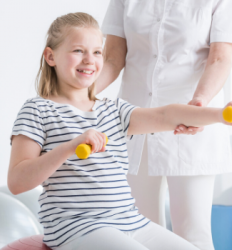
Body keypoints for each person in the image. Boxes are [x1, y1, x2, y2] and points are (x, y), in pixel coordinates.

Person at [8, 12, 232, 249]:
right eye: (78, 51)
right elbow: (17, 182)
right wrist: (70, 147)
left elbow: (166, 114)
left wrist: (221, 115)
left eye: (96, 52)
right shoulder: (38, 110)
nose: (89, 60)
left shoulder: (113, 110)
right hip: (75, 226)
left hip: (129, 222)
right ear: (50, 56)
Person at [97, 1, 232, 249]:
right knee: (138, 231)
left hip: (190, 122)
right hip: (136, 122)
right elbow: (113, 57)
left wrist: (198, 105)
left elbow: (220, 58)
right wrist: (81, 96)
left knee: (192, 234)